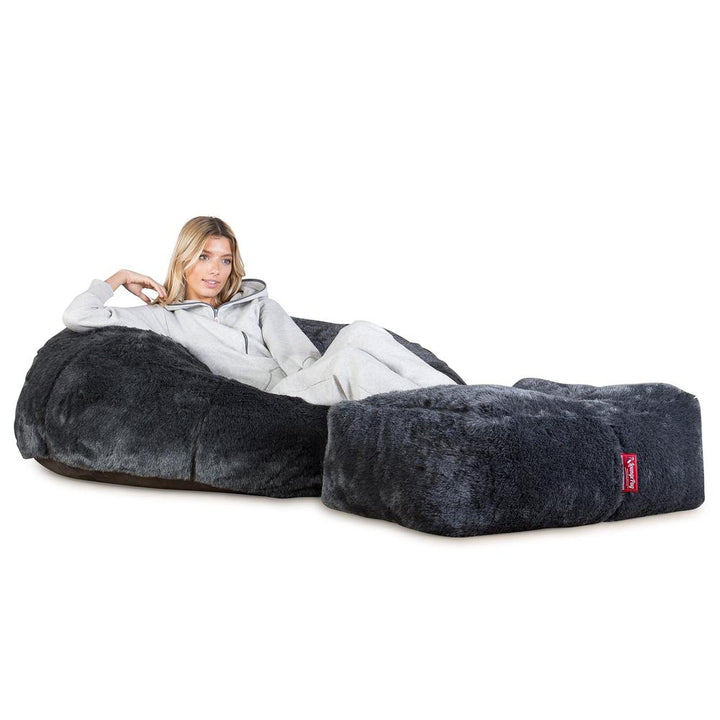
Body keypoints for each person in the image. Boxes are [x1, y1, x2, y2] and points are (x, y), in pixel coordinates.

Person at [62, 216, 457, 405]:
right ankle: (438, 411)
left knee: (361, 330)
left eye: (225, 260)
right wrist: (118, 277)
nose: (216, 270)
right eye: (204, 257)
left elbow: (302, 358)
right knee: (349, 362)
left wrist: (320, 372)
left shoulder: (257, 304)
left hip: (306, 379)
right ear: (184, 260)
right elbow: (78, 316)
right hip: (268, 400)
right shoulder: (163, 318)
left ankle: (463, 398)